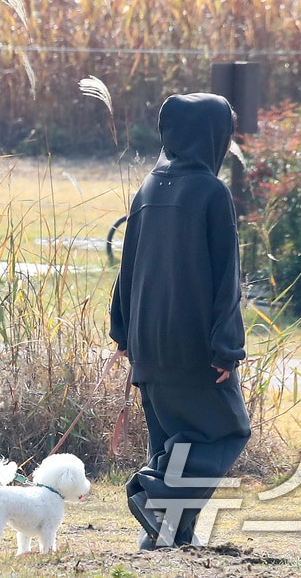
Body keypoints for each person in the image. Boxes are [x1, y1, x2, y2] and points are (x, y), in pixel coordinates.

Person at [108, 92, 250, 550]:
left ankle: (166, 540)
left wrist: (122, 332)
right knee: (225, 428)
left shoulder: (148, 187)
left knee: (174, 441)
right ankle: (155, 495)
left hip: (148, 345)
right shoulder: (212, 192)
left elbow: (128, 267)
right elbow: (226, 277)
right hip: (194, 348)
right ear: (212, 136)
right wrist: (226, 347)